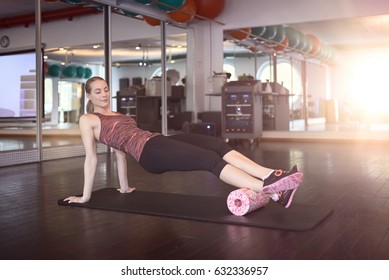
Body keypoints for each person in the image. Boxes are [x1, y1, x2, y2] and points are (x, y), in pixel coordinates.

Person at [63, 76, 303, 208]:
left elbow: (118, 154)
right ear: (89, 95)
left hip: (157, 140)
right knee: (209, 160)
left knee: (217, 144)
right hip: (150, 154)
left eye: (105, 89)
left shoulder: (117, 114)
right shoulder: (88, 119)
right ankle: (270, 190)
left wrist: (124, 188)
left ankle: (271, 176)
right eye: (97, 91)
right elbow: (91, 158)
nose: (104, 94)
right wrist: (85, 197)